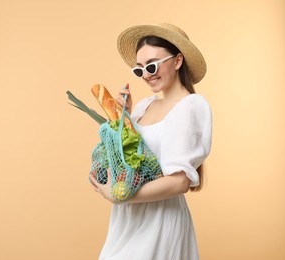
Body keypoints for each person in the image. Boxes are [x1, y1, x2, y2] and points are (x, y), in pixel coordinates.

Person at [90, 23, 212, 260]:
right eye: (139, 69)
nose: (146, 74)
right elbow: (132, 161)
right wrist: (124, 118)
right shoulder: (146, 105)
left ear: (177, 61)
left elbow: (179, 183)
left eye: (152, 65)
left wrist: (118, 195)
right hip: (128, 222)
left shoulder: (191, 106)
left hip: (159, 222)